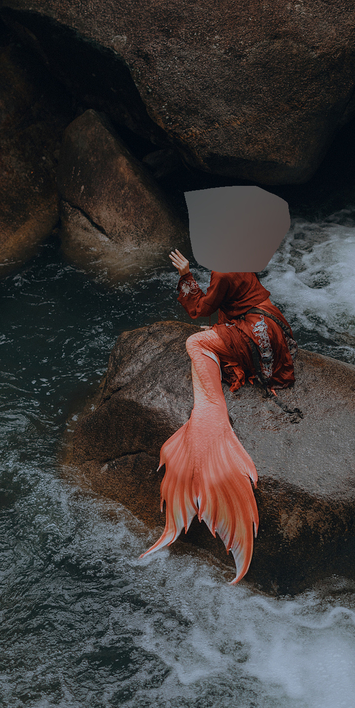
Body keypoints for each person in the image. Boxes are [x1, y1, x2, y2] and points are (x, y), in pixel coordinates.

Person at [140, 249, 296, 584]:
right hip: (269, 326)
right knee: (212, 336)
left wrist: (185, 274)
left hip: (251, 334)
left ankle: (211, 417)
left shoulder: (223, 271)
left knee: (196, 343)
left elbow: (201, 309)